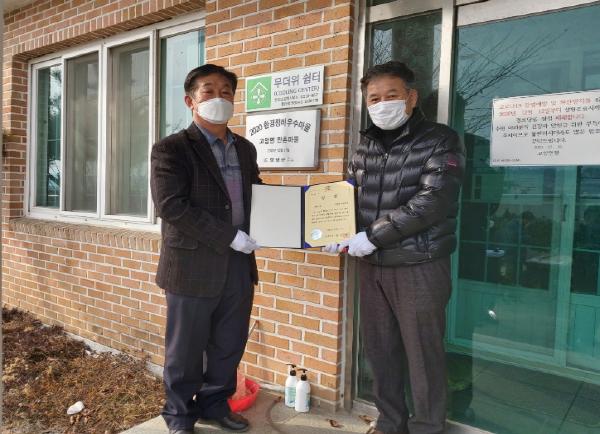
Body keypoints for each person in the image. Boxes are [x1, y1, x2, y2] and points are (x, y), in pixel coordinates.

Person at [326, 61, 465, 434]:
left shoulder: (440, 139)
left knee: (422, 353)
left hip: (419, 263)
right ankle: (390, 422)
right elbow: (349, 197)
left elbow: (432, 201)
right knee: (380, 349)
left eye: (392, 95)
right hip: (372, 266)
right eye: (374, 98)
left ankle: (427, 427)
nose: (382, 103)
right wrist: (334, 230)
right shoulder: (365, 147)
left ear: (411, 97)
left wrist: (371, 236)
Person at [150, 64, 261, 434]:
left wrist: (280, 223)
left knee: (229, 343)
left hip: (238, 264)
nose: (219, 97)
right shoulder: (171, 149)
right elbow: (171, 206)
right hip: (191, 265)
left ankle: (215, 405)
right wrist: (228, 235)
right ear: (190, 101)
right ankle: (179, 415)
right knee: (185, 349)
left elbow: (257, 195)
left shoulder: (244, 148)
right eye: (208, 90)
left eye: (226, 91)